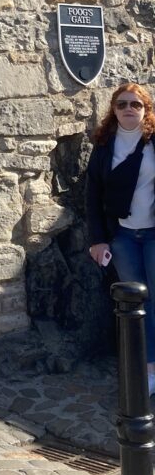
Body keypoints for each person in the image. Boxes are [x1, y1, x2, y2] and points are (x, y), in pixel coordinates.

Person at [87, 82, 155, 392]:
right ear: (113, 110)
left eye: (136, 104)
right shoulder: (104, 146)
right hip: (123, 237)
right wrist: (98, 240)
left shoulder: (153, 142)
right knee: (135, 302)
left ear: (146, 110)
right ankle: (148, 369)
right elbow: (92, 196)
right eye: (122, 104)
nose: (129, 109)